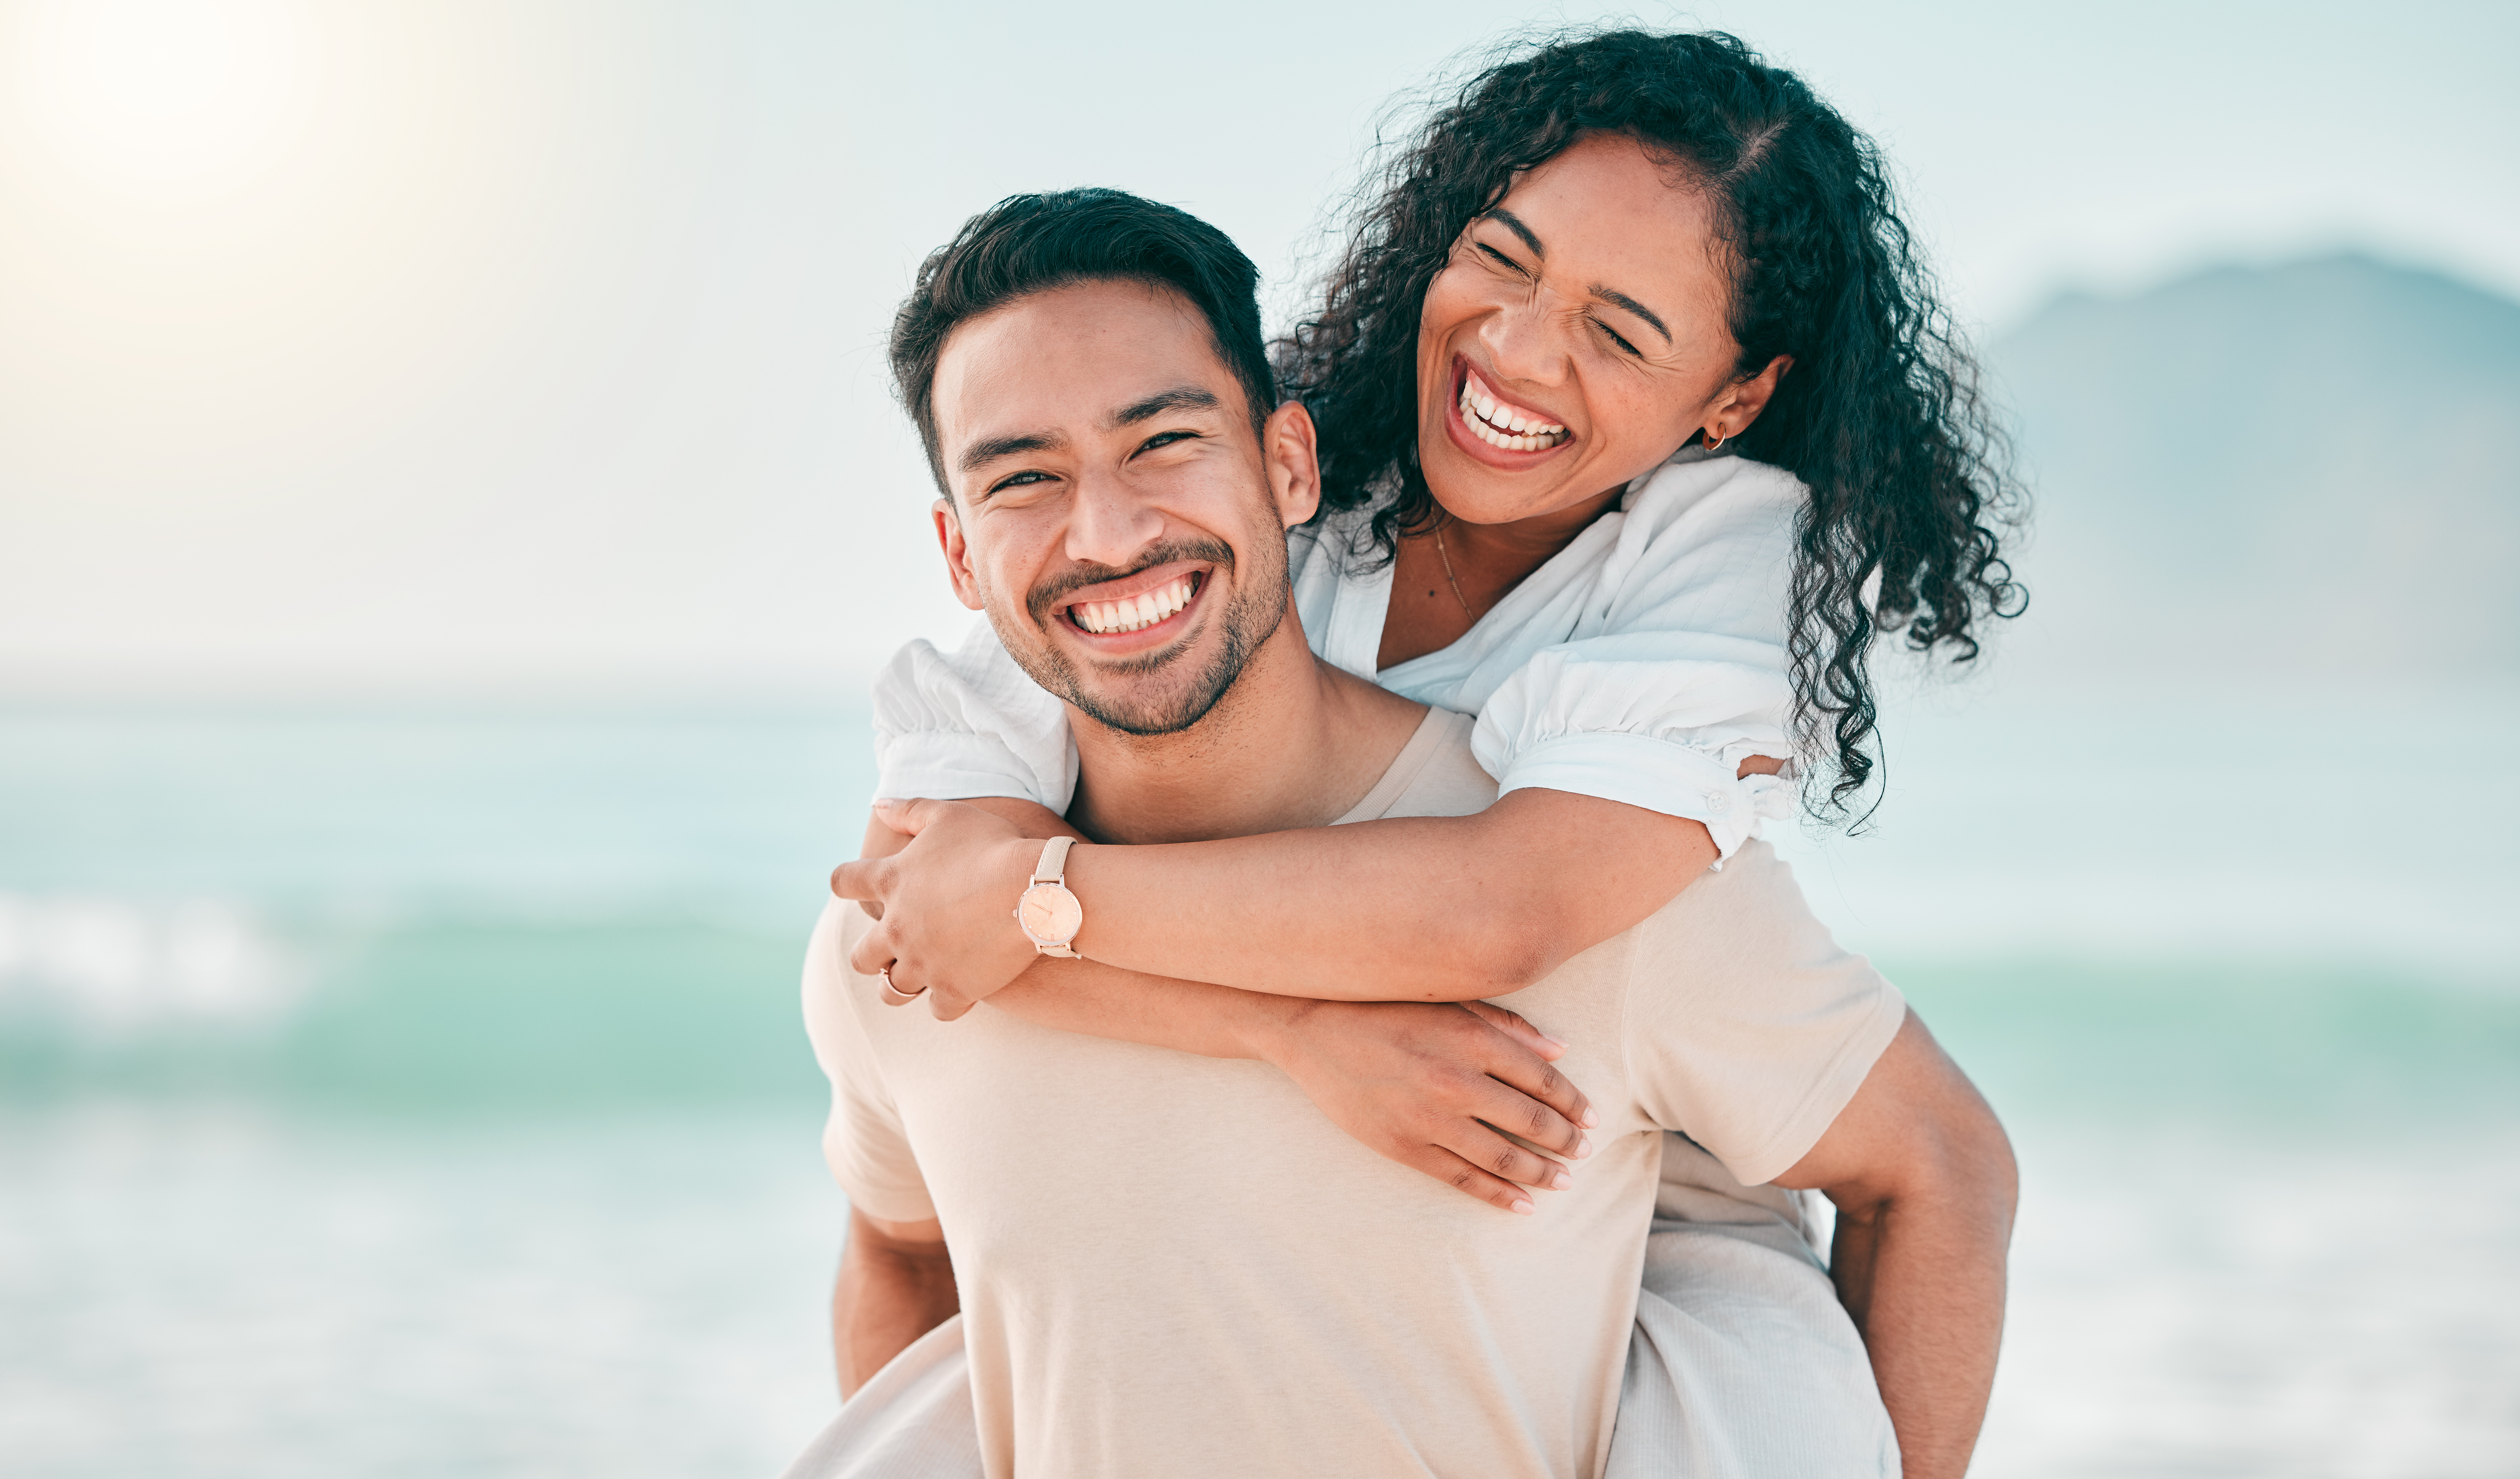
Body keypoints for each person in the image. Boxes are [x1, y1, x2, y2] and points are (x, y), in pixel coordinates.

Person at [831, 28, 2021, 1477]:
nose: (1519, 350)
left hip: (1670, 1197)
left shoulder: (1706, 565)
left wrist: (1032, 902)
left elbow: (1502, 912)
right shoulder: (1287, 494)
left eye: (1621, 330)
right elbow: (943, 881)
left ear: (1730, 402)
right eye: (1503, 261)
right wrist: (1287, 1035)